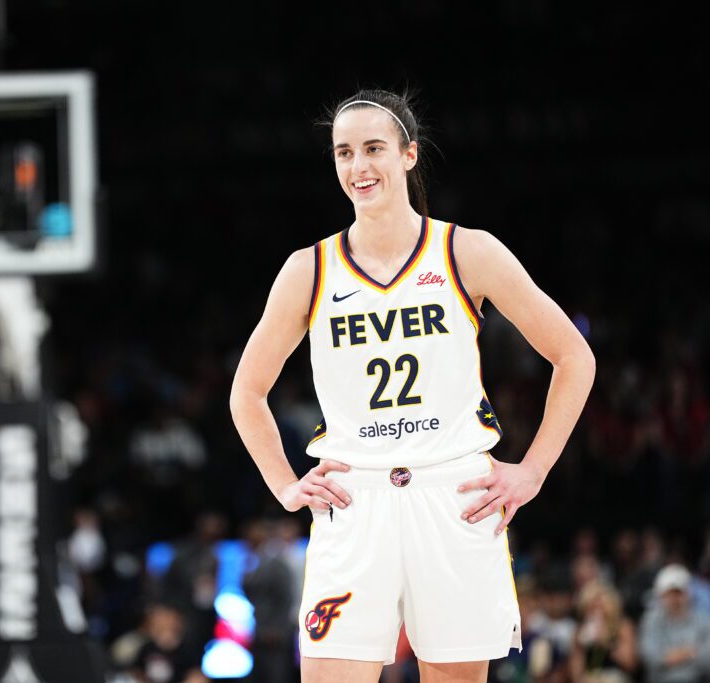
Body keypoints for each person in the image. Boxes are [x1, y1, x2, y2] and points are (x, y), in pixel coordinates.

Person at [229, 87, 596, 683]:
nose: (358, 166)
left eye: (374, 148)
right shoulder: (309, 269)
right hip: (354, 497)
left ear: (408, 155)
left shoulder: (466, 250)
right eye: (344, 153)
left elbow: (574, 357)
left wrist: (533, 471)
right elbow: (246, 393)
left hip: (453, 495)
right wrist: (284, 486)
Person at [638, 564, 710, 683]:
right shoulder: (651, 620)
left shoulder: (703, 620)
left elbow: (707, 657)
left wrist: (671, 657)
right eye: (669, 594)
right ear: (660, 595)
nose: (674, 599)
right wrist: (690, 652)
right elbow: (650, 657)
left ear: (688, 594)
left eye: (678, 593)